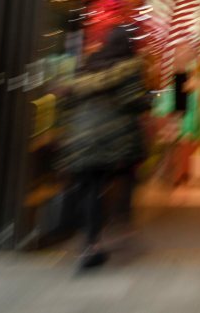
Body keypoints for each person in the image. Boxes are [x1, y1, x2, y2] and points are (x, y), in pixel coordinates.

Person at [58, 26, 147, 270]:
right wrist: (148, 101)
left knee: (86, 187)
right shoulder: (129, 67)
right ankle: (93, 244)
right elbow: (131, 100)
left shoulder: (89, 64)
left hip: (79, 135)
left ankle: (87, 242)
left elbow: (70, 99)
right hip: (106, 138)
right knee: (98, 189)